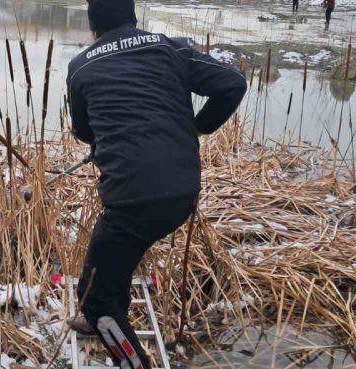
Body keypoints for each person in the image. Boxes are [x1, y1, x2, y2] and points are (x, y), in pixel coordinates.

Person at [65, 0, 247, 368]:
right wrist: (199, 125)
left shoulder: (81, 66)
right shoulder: (170, 47)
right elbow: (232, 83)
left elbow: (84, 132)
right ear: (134, 18)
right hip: (183, 192)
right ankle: (99, 313)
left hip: (132, 201)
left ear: (93, 26)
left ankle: (128, 353)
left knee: (98, 298)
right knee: (111, 255)